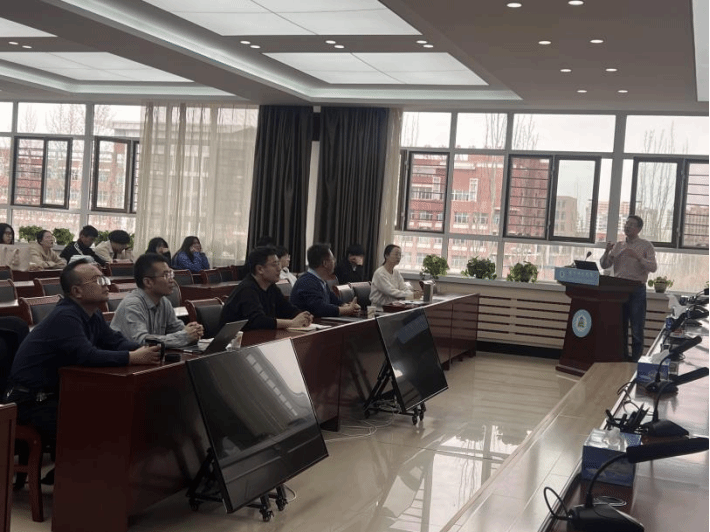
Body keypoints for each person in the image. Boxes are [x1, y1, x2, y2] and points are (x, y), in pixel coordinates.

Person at [2, 259, 161, 450]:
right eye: (98, 280)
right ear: (77, 291)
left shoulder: (93, 313)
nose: (106, 284)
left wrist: (147, 350)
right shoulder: (65, 316)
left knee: (117, 411)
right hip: (30, 401)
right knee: (99, 425)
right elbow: (87, 355)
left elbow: (115, 341)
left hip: (57, 394)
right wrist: (132, 357)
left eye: (104, 279)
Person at [111, 253, 204, 347]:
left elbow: (178, 329)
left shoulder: (164, 302)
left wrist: (193, 331)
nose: (172, 280)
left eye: (171, 274)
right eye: (166, 275)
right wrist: (185, 336)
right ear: (148, 282)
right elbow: (141, 342)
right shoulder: (132, 305)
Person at [600, 215, 657, 361]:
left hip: (636, 290)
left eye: (631, 224)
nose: (627, 226)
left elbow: (653, 267)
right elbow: (605, 265)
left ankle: (636, 361)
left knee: (637, 328)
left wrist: (638, 257)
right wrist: (606, 251)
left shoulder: (646, 245)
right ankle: (622, 358)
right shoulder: (619, 245)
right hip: (619, 290)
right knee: (620, 326)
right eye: (626, 223)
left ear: (639, 229)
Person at [220, 246, 312, 330]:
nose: (279, 268)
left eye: (278, 264)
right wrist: (292, 323)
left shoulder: (271, 287)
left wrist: (303, 316)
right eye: (274, 264)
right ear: (260, 269)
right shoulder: (247, 289)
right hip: (234, 340)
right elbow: (258, 321)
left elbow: (286, 309)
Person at [290, 243, 361, 317]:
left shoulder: (319, 280)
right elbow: (320, 308)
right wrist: (347, 310)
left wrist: (346, 306)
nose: (334, 261)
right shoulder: (306, 282)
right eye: (332, 259)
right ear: (325, 263)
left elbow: (332, 298)